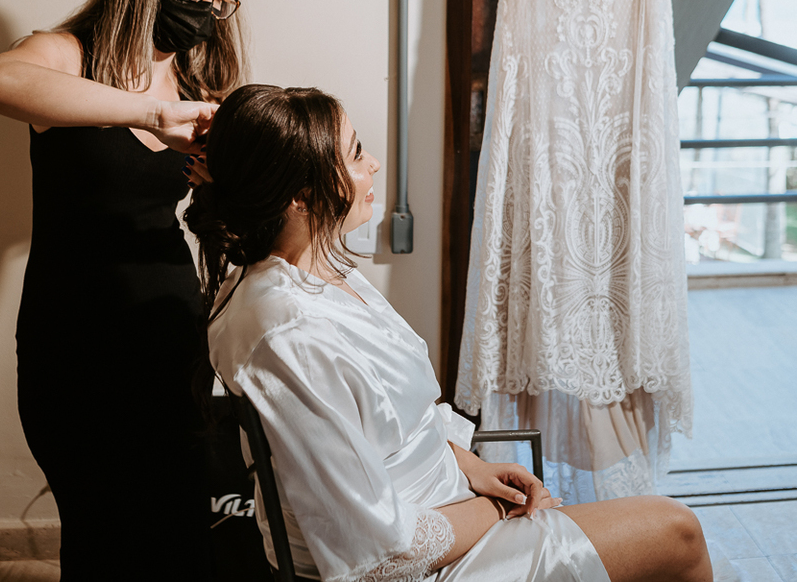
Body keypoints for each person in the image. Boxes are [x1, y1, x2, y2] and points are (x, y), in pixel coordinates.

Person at [188, 84, 713, 582]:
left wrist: (470, 466)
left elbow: (392, 422)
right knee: (678, 533)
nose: (373, 164)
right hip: (425, 559)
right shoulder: (288, 335)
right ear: (302, 198)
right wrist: (492, 510)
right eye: (356, 154)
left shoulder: (320, 271)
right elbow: (377, 555)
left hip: (451, 501)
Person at [0, 0, 247, 580]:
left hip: (169, 327)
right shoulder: (68, 55)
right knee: (101, 523)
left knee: (178, 519)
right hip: (73, 335)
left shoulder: (197, 87)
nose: (204, 3)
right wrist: (152, 113)